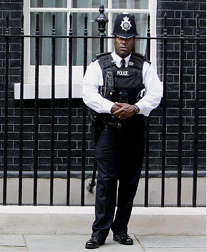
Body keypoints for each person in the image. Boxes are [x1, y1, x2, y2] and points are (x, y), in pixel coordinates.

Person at [82, 13, 163, 249]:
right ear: (114, 38)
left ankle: (121, 230)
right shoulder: (99, 64)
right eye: (120, 37)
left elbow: (156, 93)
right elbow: (88, 93)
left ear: (134, 39)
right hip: (109, 130)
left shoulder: (143, 66)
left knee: (129, 183)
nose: (124, 42)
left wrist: (136, 108)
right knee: (106, 182)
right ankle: (99, 232)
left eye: (128, 38)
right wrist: (112, 107)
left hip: (134, 130)